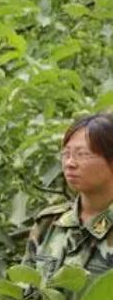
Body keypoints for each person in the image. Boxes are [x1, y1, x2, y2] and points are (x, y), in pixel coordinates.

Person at [24, 112, 113, 286]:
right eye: (66, 154)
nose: (70, 163)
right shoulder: (49, 223)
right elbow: (24, 295)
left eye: (82, 154)